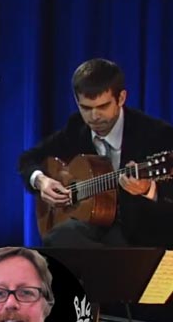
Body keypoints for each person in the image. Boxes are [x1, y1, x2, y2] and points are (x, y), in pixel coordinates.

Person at [19, 58, 173, 247]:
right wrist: (41, 180)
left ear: (121, 98)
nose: (94, 116)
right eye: (86, 108)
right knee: (59, 237)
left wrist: (149, 190)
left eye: (103, 106)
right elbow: (28, 160)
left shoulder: (156, 134)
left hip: (141, 236)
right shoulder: (76, 127)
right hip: (91, 230)